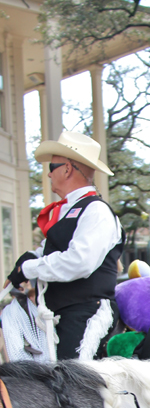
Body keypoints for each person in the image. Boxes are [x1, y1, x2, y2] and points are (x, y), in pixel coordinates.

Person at [6, 131, 124, 361]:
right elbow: (47, 252)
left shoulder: (96, 211)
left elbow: (79, 262)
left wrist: (29, 269)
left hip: (87, 313)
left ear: (67, 168)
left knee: (71, 383)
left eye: (52, 166)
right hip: (59, 314)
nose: (48, 174)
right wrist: (25, 262)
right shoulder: (68, 212)